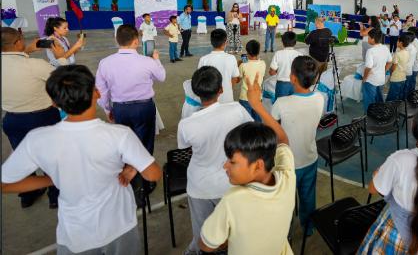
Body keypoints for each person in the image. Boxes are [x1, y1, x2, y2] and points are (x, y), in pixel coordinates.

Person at [1, 65, 162, 255]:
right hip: (119, 225)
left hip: (75, 234)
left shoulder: (37, 139)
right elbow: (153, 174)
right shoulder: (119, 135)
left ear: (54, 102)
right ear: (97, 93)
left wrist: (53, 179)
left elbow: (5, 184)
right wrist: (132, 166)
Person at [198, 74, 295, 254]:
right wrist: (257, 105)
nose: (225, 166)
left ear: (258, 165)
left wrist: (229, 238)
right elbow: (283, 140)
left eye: (232, 162)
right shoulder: (287, 177)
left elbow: (206, 245)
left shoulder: (233, 199)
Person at [357, 103, 418, 255]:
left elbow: (372, 189)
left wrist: (378, 175)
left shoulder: (399, 159)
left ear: (414, 126)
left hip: (396, 231)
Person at [177, 66, 253, 254]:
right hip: (231, 183)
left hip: (199, 186)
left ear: (196, 92)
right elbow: (251, 132)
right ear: (221, 90)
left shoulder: (187, 124)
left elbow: (184, 148)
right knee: (231, 233)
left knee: (204, 236)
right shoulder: (236, 109)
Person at [96, 24, 166, 204]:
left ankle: (129, 183)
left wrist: (107, 109)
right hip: (144, 108)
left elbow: (101, 91)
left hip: (121, 108)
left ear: (116, 40)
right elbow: (162, 77)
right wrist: (156, 59)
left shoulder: (105, 63)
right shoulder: (147, 61)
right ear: (136, 41)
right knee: (145, 143)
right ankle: (144, 182)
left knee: (124, 145)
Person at [1, 27, 65, 208]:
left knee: (22, 156)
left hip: (12, 120)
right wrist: (61, 57)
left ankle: (28, 194)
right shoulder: (36, 65)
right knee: (51, 157)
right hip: (42, 117)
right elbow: (65, 78)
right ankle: (55, 194)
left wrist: (26, 50)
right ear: (18, 41)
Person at [271, 56, 324, 236]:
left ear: (292, 78)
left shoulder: (281, 103)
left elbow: (273, 130)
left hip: (287, 163)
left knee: (284, 199)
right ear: (315, 78)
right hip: (310, 157)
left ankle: (284, 232)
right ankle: (308, 228)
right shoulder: (320, 98)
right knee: (308, 196)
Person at [198, 29, 240, 103]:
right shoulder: (231, 58)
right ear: (225, 42)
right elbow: (235, 78)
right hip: (227, 98)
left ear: (211, 42)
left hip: (210, 100)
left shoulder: (203, 59)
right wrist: (228, 88)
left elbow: (200, 80)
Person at [362, 29, 392, 112]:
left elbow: (368, 67)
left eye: (368, 37)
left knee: (369, 100)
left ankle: (369, 116)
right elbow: (390, 61)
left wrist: (364, 78)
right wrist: (384, 71)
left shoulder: (371, 51)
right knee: (379, 98)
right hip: (381, 79)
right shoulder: (385, 48)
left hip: (371, 80)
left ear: (372, 39)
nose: (367, 39)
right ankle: (379, 114)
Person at [269, 31, 303, 99]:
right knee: (293, 106)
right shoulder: (300, 55)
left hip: (282, 85)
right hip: (296, 84)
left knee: (280, 105)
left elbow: (272, 72)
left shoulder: (278, 54)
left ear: (282, 42)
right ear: (295, 42)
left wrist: (278, 70)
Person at [238, 40, 266, 121]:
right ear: (258, 51)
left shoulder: (243, 65)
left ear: (247, 52)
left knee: (246, 121)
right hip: (257, 97)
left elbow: (237, 80)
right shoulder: (263, 63)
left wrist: (238, 65)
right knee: (258, 120)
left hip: (245, 98)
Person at [386, 34, 410, 101]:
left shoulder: (398, 54)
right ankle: (397, 108)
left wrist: (390, 73)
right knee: (399, 94)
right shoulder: (407, 52)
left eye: (397, 41)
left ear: (401, 43)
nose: (396, 42)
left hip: (396, 77)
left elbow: (393, 67)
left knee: (392, 96)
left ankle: (389, 109)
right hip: (403, 77)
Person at [405, 28, 418, 96]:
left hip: (414, 65)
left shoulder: (414, 43)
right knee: (412, 81)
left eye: (409, 32)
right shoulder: (414, 41)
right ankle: (410, 94)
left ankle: (409, 95)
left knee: (410, 82)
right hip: (415, 64)